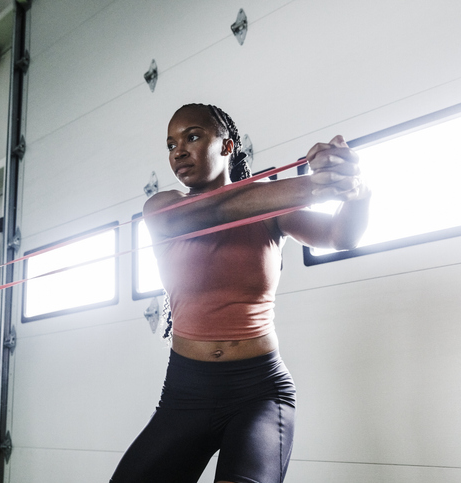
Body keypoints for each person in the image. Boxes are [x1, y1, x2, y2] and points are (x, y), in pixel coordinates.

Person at [110, 104, 371, 483]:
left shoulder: (270, 206)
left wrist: (357, 192)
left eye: (193, 137)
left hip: (260, 392)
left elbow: (340, 236)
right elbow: (214, 213)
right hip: (186, 393)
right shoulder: (164, 208)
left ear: (228, 146)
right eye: (171, 144)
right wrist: (316, 184)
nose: (178, 151)